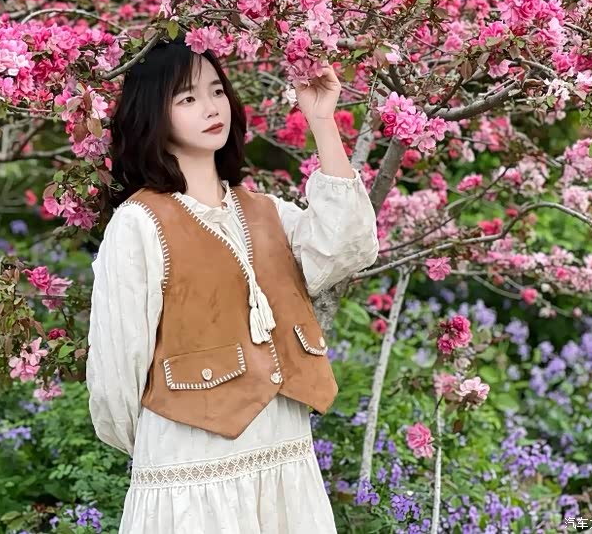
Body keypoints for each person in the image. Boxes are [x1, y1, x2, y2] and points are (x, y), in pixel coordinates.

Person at [86, 35, 379, 533]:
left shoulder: (265, 211)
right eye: (187, 98)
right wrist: (164, 451)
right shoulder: (137, 224)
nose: (210, 107)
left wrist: (322, 121)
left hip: (284, 457)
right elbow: (117, 371)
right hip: (191, 470)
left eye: (216, 91)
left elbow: (348, 245)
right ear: (153, 114)